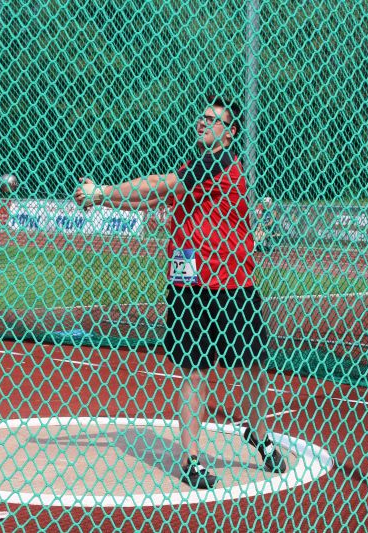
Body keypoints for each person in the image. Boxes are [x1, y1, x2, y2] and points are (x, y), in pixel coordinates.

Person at [74, 95, 286, 489]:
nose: (203, 122)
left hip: (233, 283)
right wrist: (104, 200)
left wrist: (102, 192)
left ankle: (257, 432)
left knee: (253, 365)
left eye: (213, 119)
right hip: (190, 283)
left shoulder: (219, 163)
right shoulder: (193, 168)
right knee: (195, 369)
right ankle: (190, 458)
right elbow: (150, 197)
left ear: (230, 132)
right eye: (202, 117)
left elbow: (159, 184)